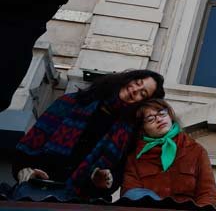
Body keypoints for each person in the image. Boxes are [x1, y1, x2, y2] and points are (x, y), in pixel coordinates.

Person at [11, 69, 165, 201]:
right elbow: (30, 143)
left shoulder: (130, 134)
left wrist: (103, 182)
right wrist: (25, 169)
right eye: (137, 83)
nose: (134, 90)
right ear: (127, 78)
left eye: (142, 93)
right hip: (38, 191)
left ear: (142, 103)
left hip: (84, 201)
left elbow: (117, 177)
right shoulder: (70, 102)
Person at [121, 98, 216, 207]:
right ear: (142, 128)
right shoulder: (134, 157)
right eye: (150, 119)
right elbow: (129, 194)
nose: (159, 119)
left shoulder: (195, 150)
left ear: (170, 116)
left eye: (162, 113)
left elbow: (208, 193)